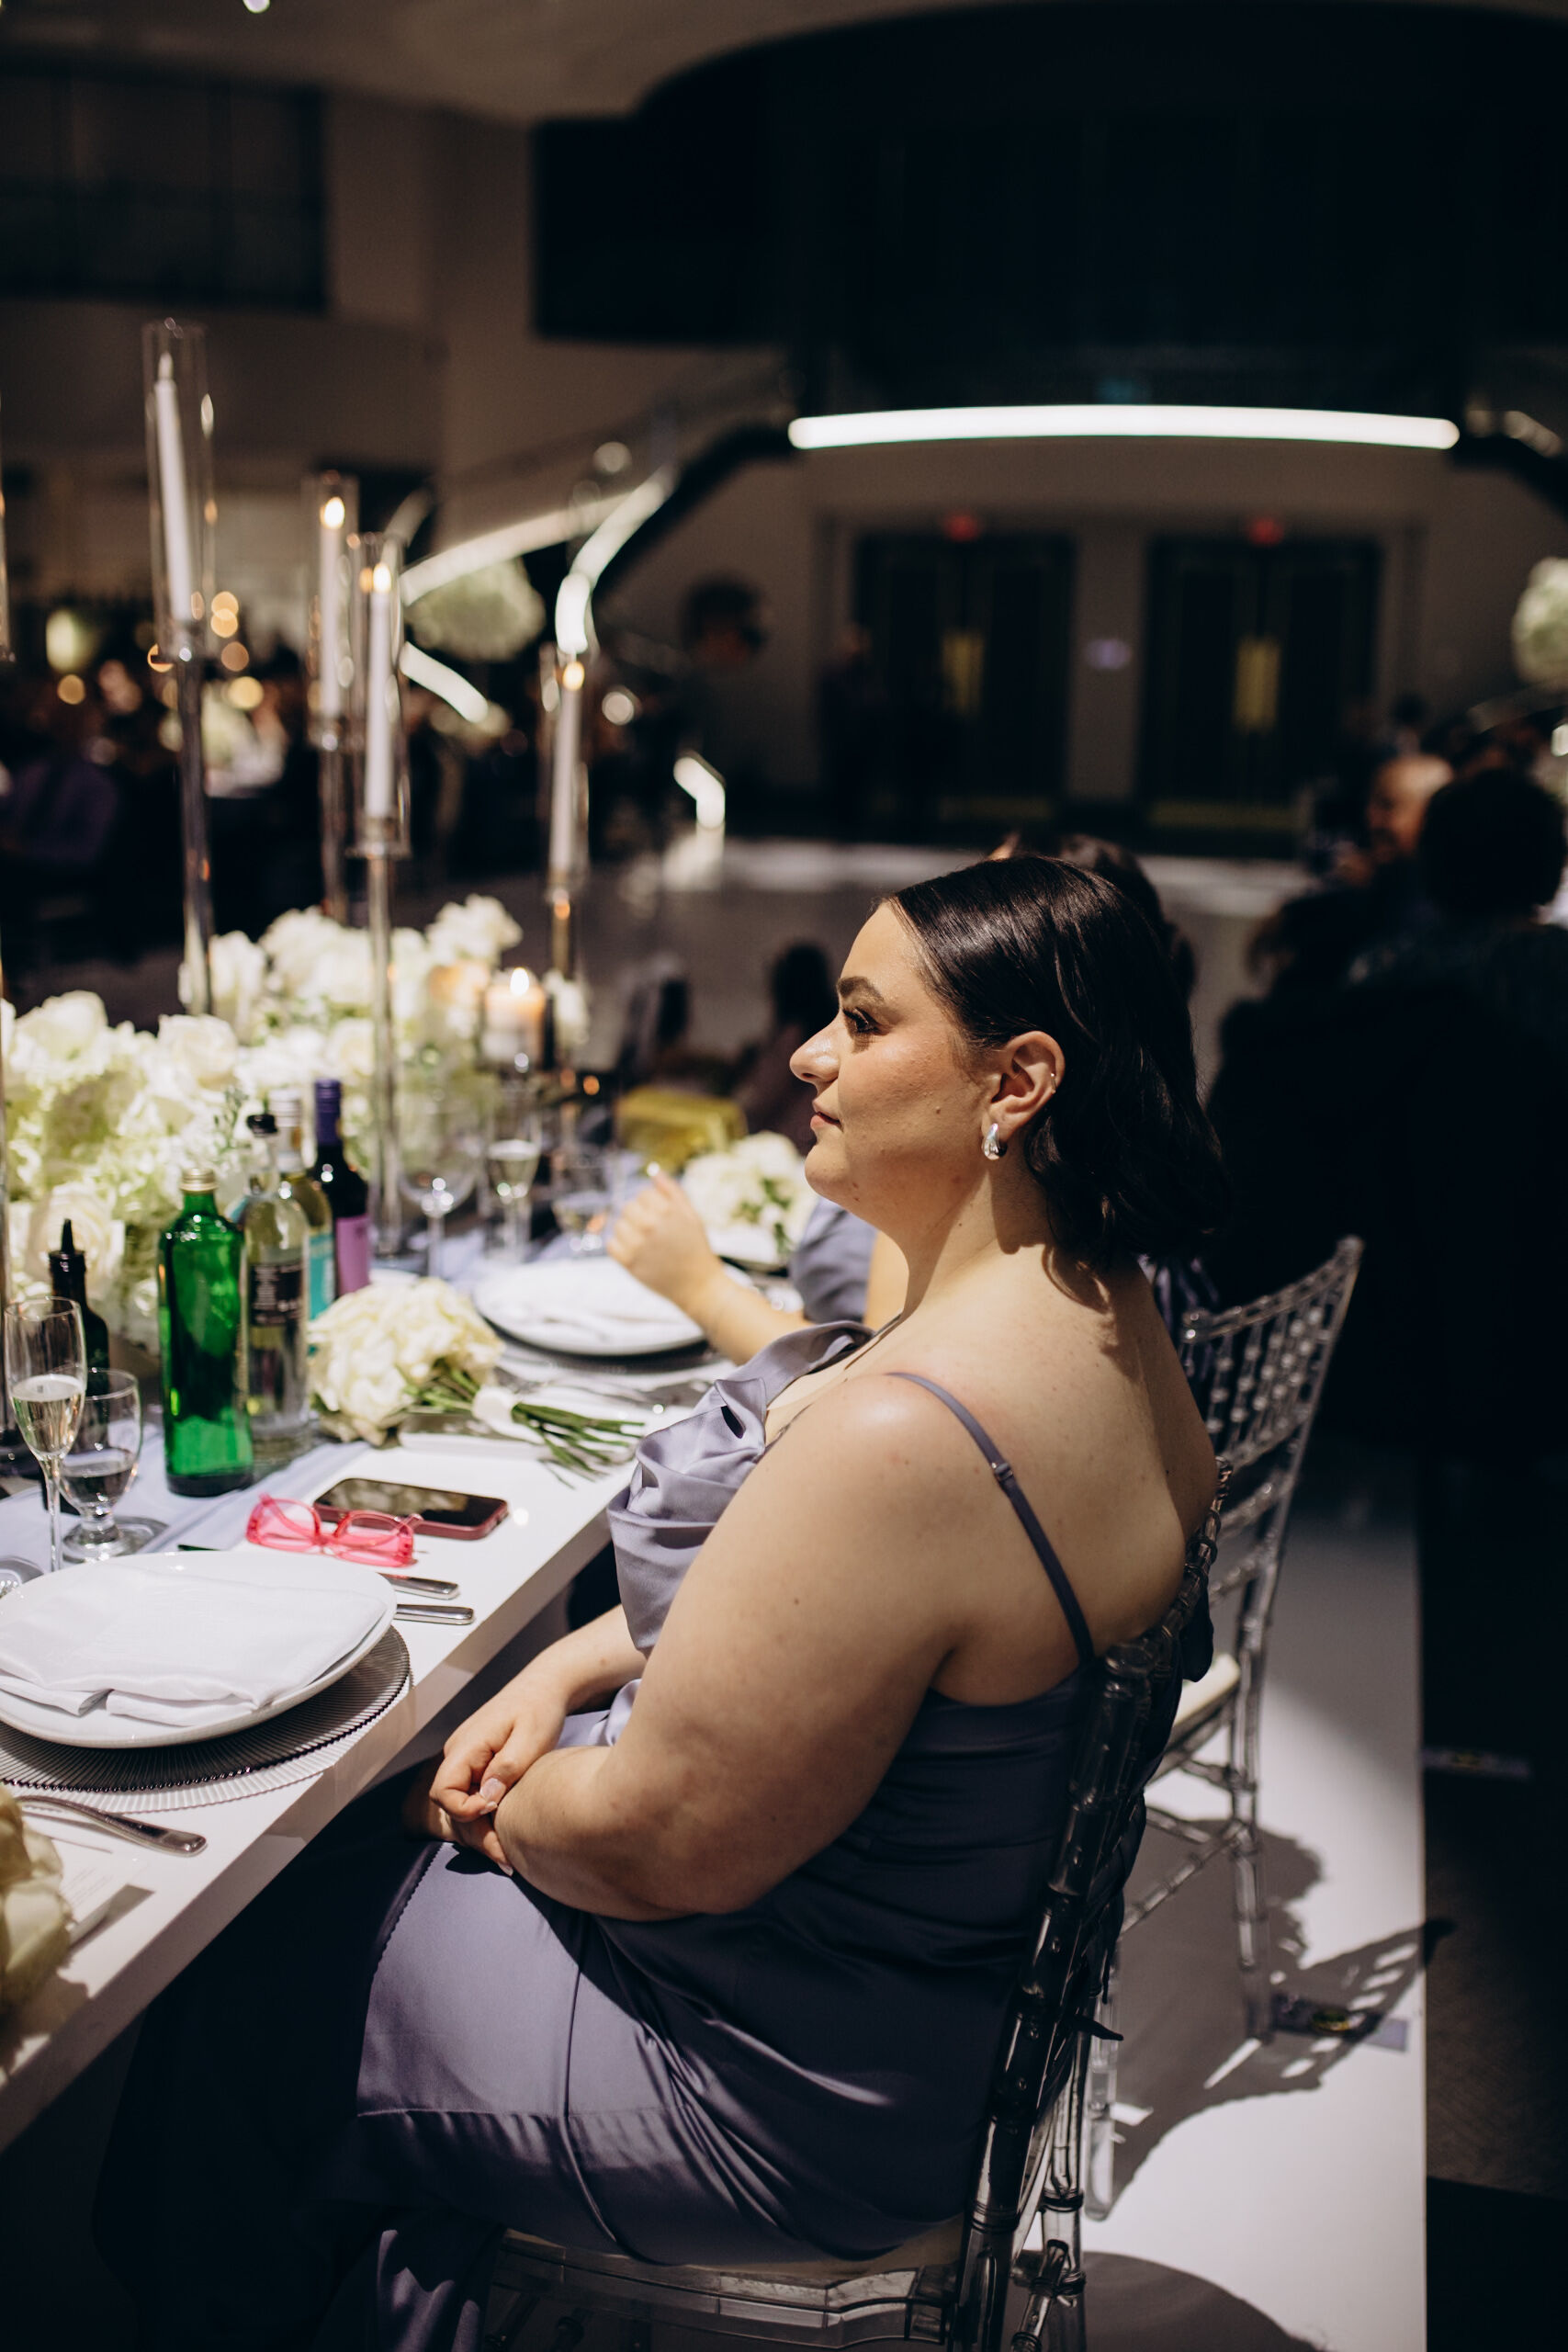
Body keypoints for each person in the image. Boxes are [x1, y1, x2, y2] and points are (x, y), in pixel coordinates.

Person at [98, 857, 1225, 2352]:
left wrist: (459, 1803)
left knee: (243, 1971)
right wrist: (561, 1674)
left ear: (1013, 1083)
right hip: (921, 2022)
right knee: (335, 1883)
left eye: (862, 1022)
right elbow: (846, 1637)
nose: (807, 1057)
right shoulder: (1105, 1323)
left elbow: (663, 1843)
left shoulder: (914, 1431)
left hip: (770, 2083)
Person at [732, 941, 840, 1154]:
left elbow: (767, 1093)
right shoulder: (828, 1027)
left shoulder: (793, 1033)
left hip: (789, 1140)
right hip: (814, 1135)